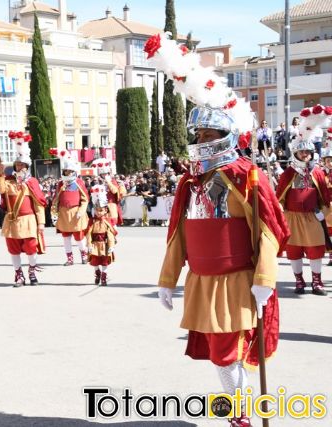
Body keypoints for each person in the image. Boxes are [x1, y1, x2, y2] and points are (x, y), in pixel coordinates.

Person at [149, 32, 289, 427]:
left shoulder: (247, 176)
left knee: (227, 352)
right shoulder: (188, 183)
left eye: (209, 134)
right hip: (203, 281)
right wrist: (167, 279)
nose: (202, 140)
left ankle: (239, 415)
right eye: (199, 134)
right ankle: (237, 410)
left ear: (226, 136)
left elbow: (267, 231)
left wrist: (264, 278)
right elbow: (180, 235)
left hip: (236, 281)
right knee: (218, 353)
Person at [276, 109, 331, 296]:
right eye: (302, 152)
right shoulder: (288, 174)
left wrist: (324, 213)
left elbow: (326, 196)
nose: (305, 154)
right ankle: (299, 281)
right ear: (296, 153)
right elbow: (279, 197)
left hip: (313, 218)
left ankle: (317, 282)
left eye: (308, 151)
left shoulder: (317, 173)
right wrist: (282, 214)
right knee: (294, 250)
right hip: (292, 218)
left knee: (316, 249)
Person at [0, 131, 46, 286]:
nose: (19, 167)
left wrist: (41, 223)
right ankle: (19, 275)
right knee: (13, 248)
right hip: (12, 220)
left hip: (29, 220)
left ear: (27, 166)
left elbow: (39, 204)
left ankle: (32, 271)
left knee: (31, 248)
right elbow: (1, 190)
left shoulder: (32, 182)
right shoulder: (8, 181)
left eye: (22, 165)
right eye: (17, 165)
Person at [51, 150, 89, 265]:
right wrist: (54, 213)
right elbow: (56, 199)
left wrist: (81, 211)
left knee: (79, 237)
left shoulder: (79, 182)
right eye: (65, 171)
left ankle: (84, 255)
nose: (66, 173)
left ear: (73, 171)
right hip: (63, 213)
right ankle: (69, 258)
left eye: (68, 171)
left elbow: (85, 199)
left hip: (76, 212)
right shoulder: (60, 184)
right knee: (66, 237)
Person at [86, 185, 117, 286]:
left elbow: (110, 235)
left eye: (101, 210)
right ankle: (97, 273)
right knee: (95, 262)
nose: (98, 212)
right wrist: (89, 245)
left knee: (104, 262)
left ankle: (104, 276)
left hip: (104, 245)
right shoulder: (92, 222)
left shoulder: (107, 222)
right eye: (96, 210)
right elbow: (88, 234)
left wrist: (111, 246)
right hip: (95, 245)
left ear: (105, 210)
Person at [91, 157, 126, 228]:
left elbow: (115, 191)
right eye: (102, 174)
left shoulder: (112, 181)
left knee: (112, 223)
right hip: (100, 205)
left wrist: (108, 182)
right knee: (102, 223)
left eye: (105, 174)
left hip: (111, 204)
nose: (104, 175)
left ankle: (113, 238)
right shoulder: (98, 182)